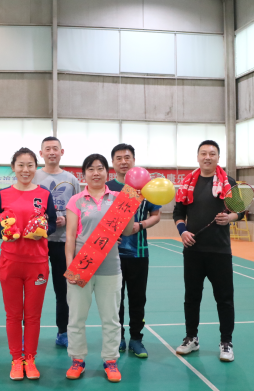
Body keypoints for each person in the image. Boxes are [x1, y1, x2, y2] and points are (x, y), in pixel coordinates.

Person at [0, 147, 57, 381]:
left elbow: (52, 224)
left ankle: (30, 358)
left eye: (30, 165)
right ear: (13, 167)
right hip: (10, 263)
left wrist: (43, 231)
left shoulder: (44, 194)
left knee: (33, 316)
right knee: (13, 315)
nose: (25, 170)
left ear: (35, 167)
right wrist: (3, 234)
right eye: (20, 165)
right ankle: (16, 359)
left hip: (37, 263)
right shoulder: (3, 194)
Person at [64, 154, 135, 383]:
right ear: (84, 174)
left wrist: (131, 205)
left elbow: (126, 231)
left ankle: (110, 360)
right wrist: (70, 266)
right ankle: (77, 360)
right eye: (91, 169)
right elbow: (70, 236)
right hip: (81, 266)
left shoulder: (117, 198)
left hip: (110, 267)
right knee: (76, 318)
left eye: (100, 168)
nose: (96, 173)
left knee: (111, 318)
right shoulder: (76, 200)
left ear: (107, 172)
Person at [172, 140, 242, 363]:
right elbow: (178, 213)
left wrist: (229, 217)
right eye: (203, 153)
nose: (207, 157)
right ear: (198, 157)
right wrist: (183, 231)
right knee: (192, 297)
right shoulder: (187, 183)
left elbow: (240, 211)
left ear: (218, 157)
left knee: (224, 299)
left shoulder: (228, 182)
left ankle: (226, 342)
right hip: (193, 250)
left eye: (212, 153)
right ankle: (191, 338)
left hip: (220, 251)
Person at [106, 144, 161, 359]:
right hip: (112, 255)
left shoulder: (145, 188)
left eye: (127, 157)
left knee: (138, 299)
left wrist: (141, 225)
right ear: (113, 163)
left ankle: (136, 339)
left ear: (134, 160)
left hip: (139, 253)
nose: (123, 161)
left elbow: (156, 215)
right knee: (115, 299)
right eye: (118, 158)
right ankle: (118, 337)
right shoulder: (107, 187)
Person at [33, 136, 80, 347]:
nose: (51, 152)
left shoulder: (72, 180)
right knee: (34, 289)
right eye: (47, 149)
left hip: (64, 242)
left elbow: (79, 209)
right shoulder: (33, 176)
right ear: (41, 153)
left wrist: (67, 220)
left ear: (62, 152)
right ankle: (30, 332)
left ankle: (63, 331)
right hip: (37, 241)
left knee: (63, 290)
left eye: (55, 148)